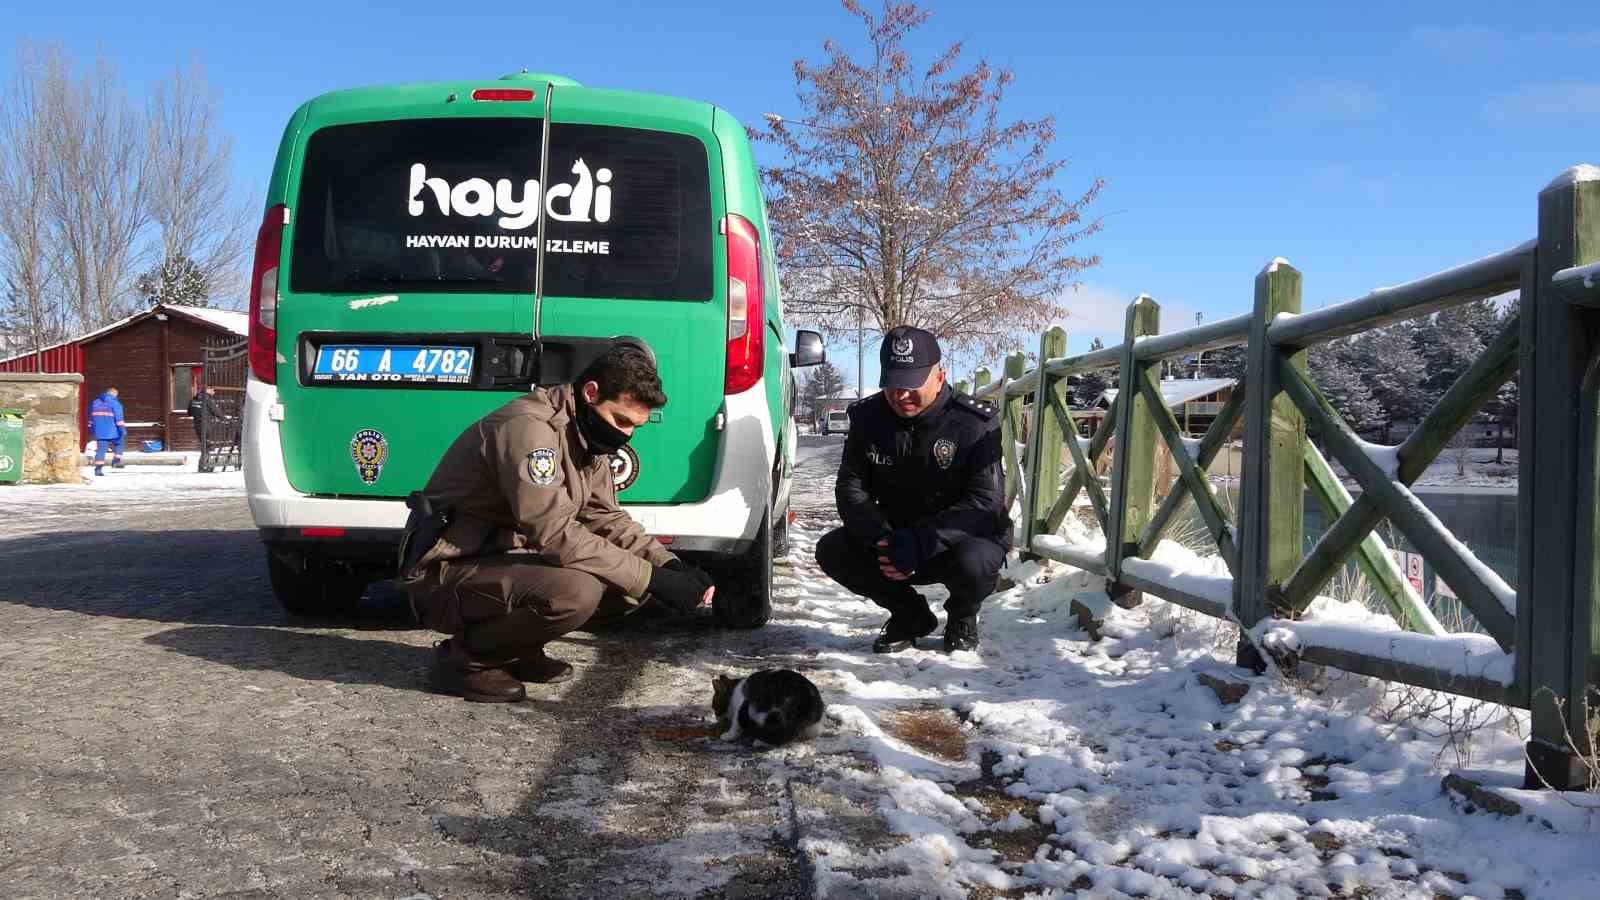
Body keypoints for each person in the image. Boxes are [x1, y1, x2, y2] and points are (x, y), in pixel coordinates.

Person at [399, 344, 716, 703]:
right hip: (444, 574)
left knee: (626, 585)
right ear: (591, 392)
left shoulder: (584, 430)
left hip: (500, 560)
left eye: (635, 426)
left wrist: (668, 564)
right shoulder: (529, 430)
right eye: (621, 420)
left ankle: (517, 648)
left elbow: (603, 515)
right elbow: (555, 534)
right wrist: (653, 579)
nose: (626, 435)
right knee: (577, 591)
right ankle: (466, 659)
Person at [815, 326, 1010, 654]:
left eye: (911, 384)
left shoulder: (974, 422)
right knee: (833, 549)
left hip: (954, 544)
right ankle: (910, 615)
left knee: (976, 562)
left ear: (939, 376)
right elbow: (851, 487)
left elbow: (984, 503)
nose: (900, 394)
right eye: (892, 384)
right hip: (893, 539)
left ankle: (962, 615)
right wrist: (882, 536)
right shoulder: (867, 418)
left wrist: (920, 541)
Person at [88, 387, 126, 477]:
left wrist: (92, 430)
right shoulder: (115, 403)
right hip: (113, 431)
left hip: (99, 431)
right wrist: (122, 430)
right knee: (120, 443)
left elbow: (91, 418)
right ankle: (116, 461)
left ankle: (98, 469)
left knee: (101, 450)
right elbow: (119, 419)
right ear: (114, 394)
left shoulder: (95, 402)